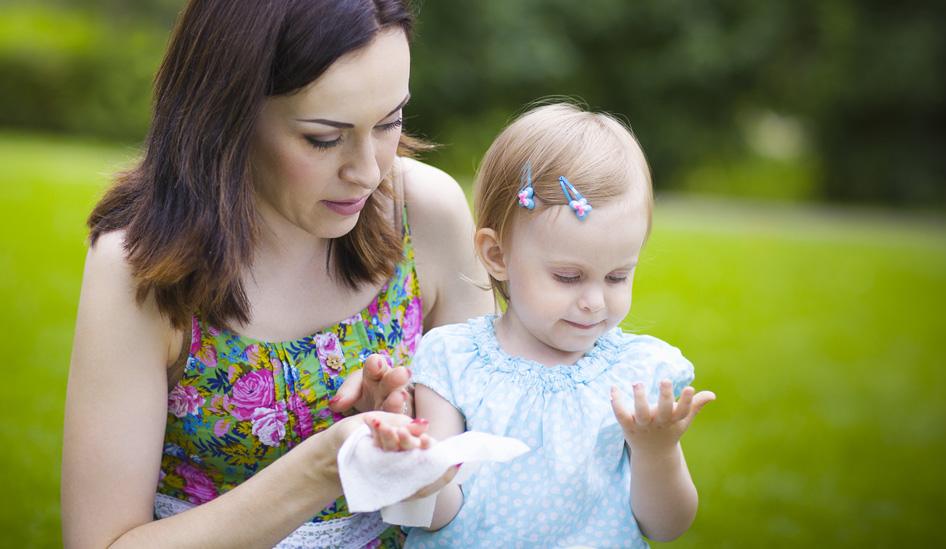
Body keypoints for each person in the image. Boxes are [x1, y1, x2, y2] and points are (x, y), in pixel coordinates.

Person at [60, 1, 493, 547]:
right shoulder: (141, 266)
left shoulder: (425, 213)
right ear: (227, 114)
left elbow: (492, 483)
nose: (367, 170)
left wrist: (410, 443)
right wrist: (325, 467)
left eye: (390, 122)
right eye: (323, 138)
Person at [407, 102, 717, 548]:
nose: (594, 302)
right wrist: (415, 469)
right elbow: (437, 514)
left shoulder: (633, 374)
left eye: (617, 276)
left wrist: (657, 451)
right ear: (497, 256)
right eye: (568, 277)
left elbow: (666, 526)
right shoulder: (452, 361)